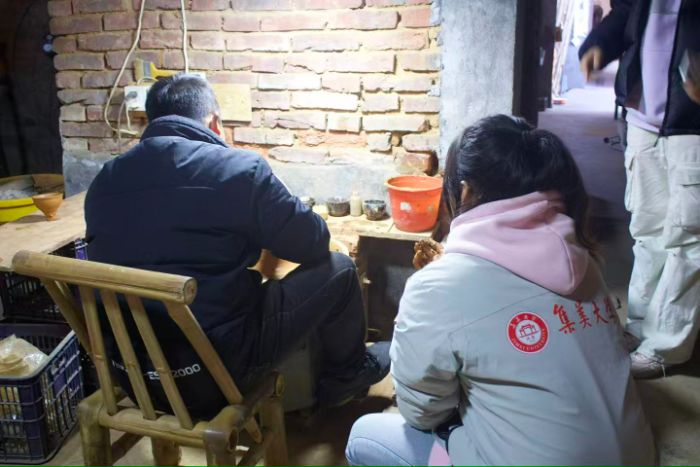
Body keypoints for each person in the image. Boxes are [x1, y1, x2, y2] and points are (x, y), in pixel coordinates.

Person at [345, 115, 655, 466]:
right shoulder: (583, 258)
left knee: (364, 435)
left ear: (465, 192)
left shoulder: (436, 287)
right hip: (637, 455)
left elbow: (421, 412)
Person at [84, 74, 389, 415]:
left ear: (151, 120)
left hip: (133, 376)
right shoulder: (236, 169)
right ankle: (347, 377)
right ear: (215, 123)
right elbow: (313, 243)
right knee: (340, 269)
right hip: (215, 375)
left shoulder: (105, 178)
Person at [579, 0, 700, 378]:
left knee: (688, 241)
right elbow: (625, 13)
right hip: (643, 120)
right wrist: (599, 42)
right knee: (648, 231)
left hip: (693, 128)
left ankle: (666, 346)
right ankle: (642, 326)